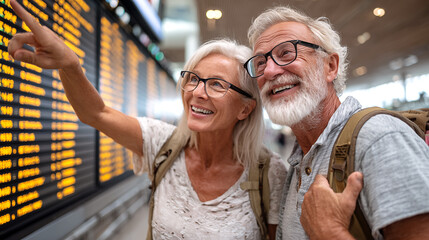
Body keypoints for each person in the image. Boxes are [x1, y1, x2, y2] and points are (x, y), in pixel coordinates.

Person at [7, 0, 287, 239]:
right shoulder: (162, 143)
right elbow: (96, 113)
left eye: (216, 85)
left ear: (245, 109)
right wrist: (71, 65)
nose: (198, 93)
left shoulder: (268, 172)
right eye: (193, 79)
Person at [244, 5, 429, 240]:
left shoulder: (379, 138)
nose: (269, 70)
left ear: (330, 66)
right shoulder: (299, 160)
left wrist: (329, 232)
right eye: (260, 63)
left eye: (286, 53)